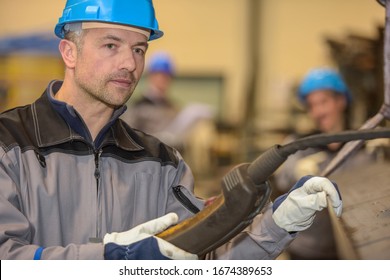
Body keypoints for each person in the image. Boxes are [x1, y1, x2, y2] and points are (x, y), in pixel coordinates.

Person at [0, 0, 342, 260]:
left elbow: (209, 262)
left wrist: (277, 226)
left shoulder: (162, 164)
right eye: (111, 45)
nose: (130, 63)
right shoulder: (8, 144)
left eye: (138, 49)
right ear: (69, 51)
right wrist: (108, 258)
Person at [274, 67, 375, 259]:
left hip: (350, 250)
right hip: (305, 252)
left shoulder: (364, 144)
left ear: (341, 101)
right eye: (312, 105)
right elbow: (280, 181)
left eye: (323, 102)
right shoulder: (299, 146)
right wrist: (297, 172)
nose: (318, 111)